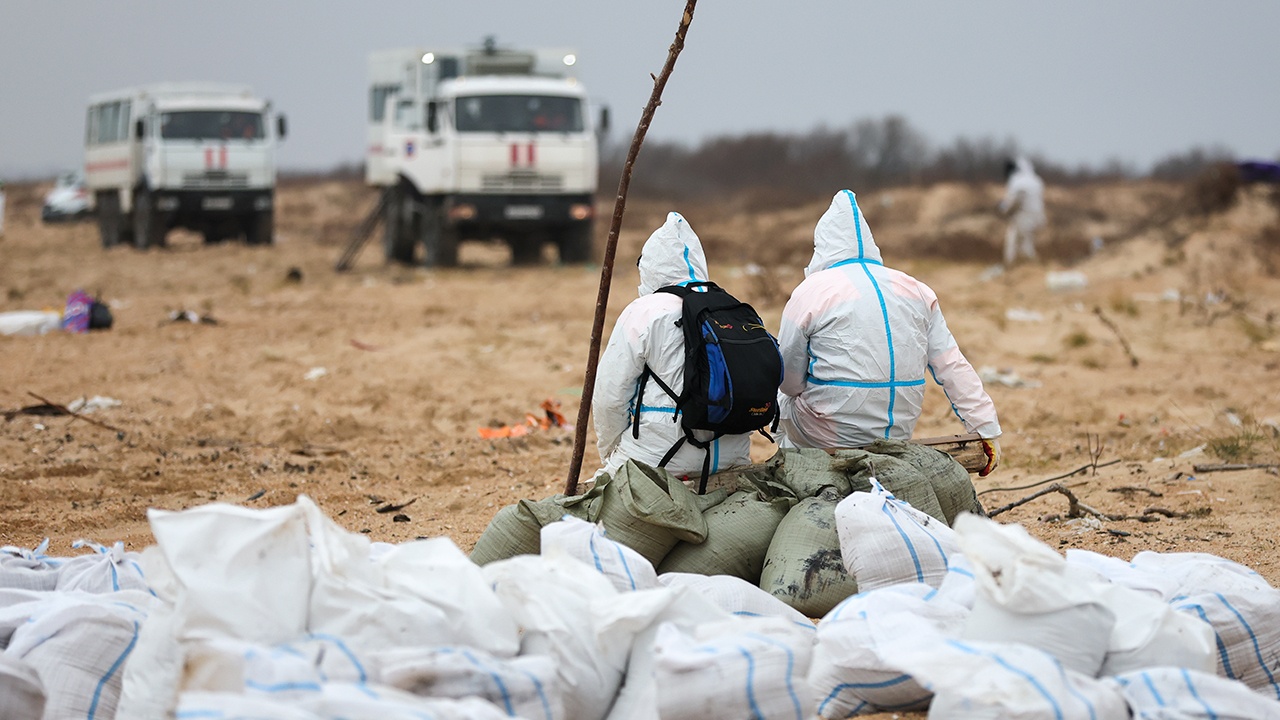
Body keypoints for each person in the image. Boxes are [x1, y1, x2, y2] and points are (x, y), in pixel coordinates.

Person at [776, 190, 1002, 476]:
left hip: (830, 436)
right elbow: (951, 364)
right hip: (897, 432)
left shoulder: (812, 290)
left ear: (822, 244)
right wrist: (985, 428)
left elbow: (788, 379)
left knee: (780, 396)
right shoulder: (916, 289)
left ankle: (798, 475)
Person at [592, 211, 754, 482]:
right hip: (732, 454)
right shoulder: (730, 306)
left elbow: (610, 396)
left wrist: (611, 453)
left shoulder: (644, 311)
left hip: (661, 454)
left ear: (649, 267)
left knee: (593, 507)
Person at [998, 156, 1046, 266]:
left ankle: (1018, 267)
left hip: (1024, 216)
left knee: (1017, 242)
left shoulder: (1017, 181)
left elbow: (1013, 201)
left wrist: (1003, 209)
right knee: (1026, 241)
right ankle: (1026, 266)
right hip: (1038, 216)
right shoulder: (1036, 180)